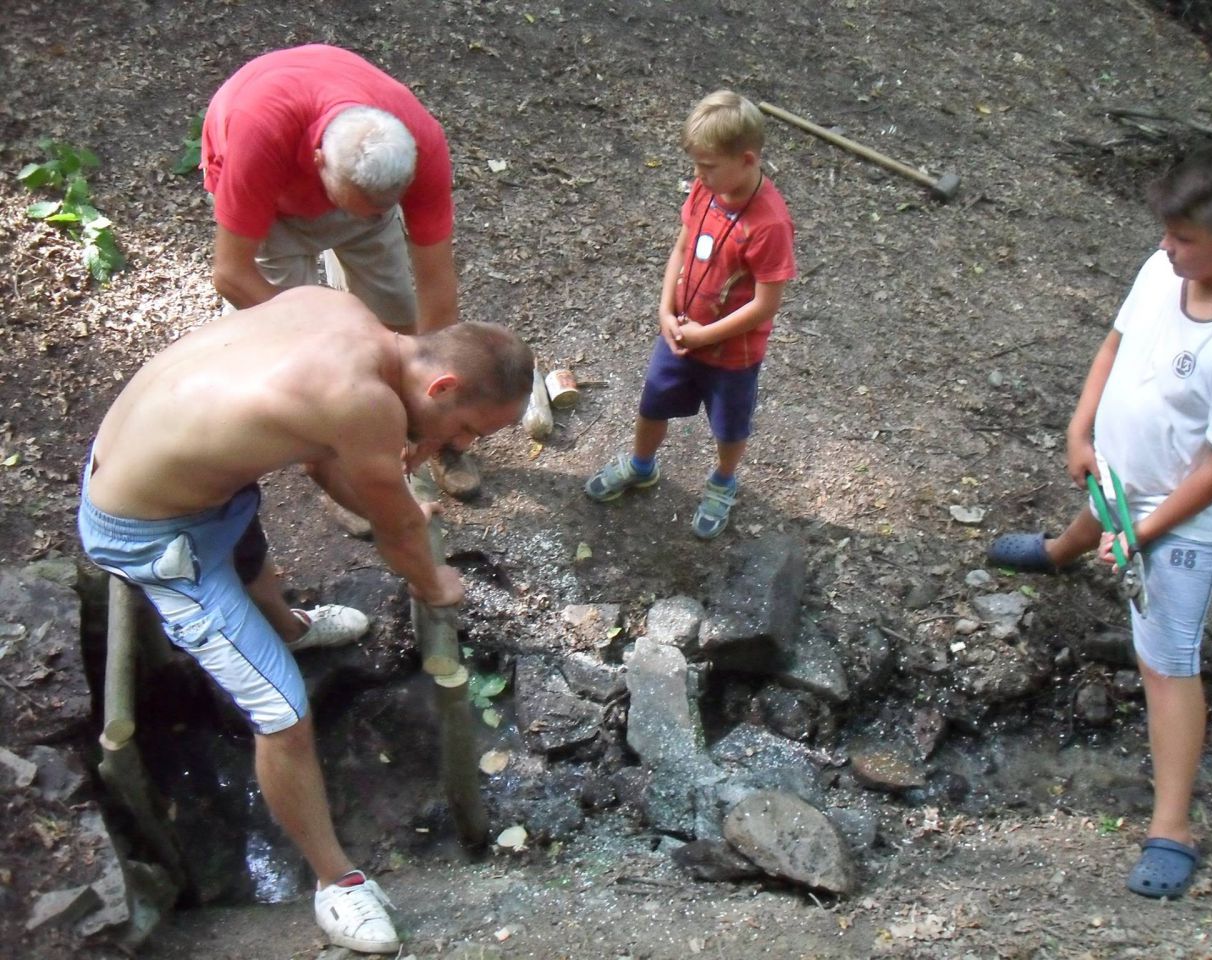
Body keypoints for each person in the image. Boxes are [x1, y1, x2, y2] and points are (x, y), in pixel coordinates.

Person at [78, 287, 532, 953]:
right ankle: (336, 883)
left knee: (242, 510)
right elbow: (398, 533)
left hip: (160, 473)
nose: (460, 445)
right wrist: (434, 579)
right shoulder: (366, 402)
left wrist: (396, 503)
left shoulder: (338, 311)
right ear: (441, 386)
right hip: (150, 533)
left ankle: (289, 629)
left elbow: (324, 459)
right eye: (468, 430)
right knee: (283, 715)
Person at [989, 147, 1212, 898]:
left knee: (1167, 661)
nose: (1164, 247)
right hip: (1119, 474)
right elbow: (1116, 342)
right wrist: (1080, 427)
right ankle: (1060, 552)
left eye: (1181, 238)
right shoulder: (1163, 272)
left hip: (1181, 518)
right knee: (1098, 513)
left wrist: (1145, 533)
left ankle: (1172, 828)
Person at [200, 43, 481, 500]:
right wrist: (331, 346)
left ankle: (422, 432)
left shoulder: (419, 145)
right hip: (273, 209)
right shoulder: (259, 135)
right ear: (319, 163)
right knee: (303, 355)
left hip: (350, 183)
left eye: (382, 209)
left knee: (397, 317)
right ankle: (336, 466)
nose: (367, 216)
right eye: (355, 207)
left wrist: (433, 408)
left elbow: (437, 288)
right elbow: (231, 274)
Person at [583, 90, 796, 539]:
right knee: (652, 403)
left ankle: (723, 482)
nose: (698, 175)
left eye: (708, 166)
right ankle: (642, 465)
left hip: (732, 355)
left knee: (729, 426)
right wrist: (665, 310)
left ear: (747, 159)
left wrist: (706, 335)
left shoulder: (769, 224)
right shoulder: (706, 189)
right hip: (680, 335)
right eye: (697, 165)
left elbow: (765, 304)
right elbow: (681, 248)